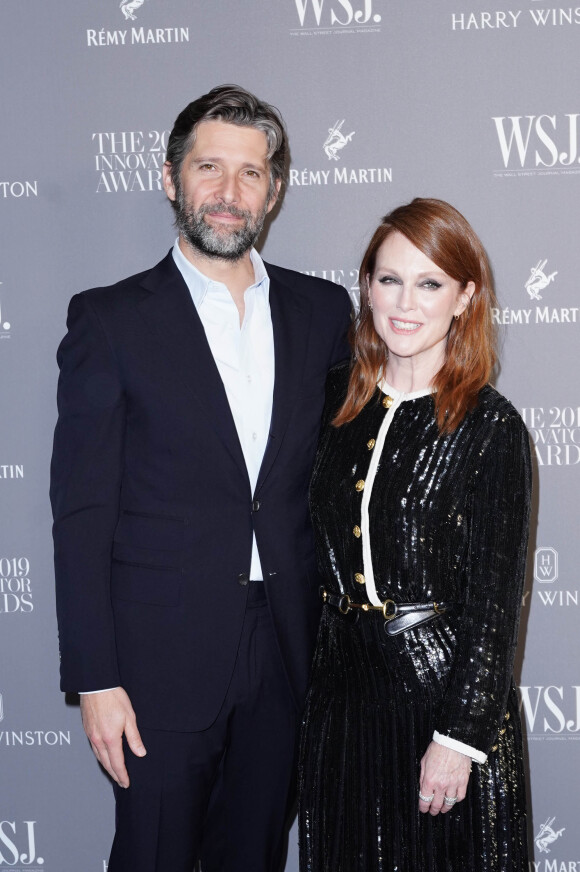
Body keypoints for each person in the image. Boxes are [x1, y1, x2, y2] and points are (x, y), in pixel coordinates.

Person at [50, 84, 351, 872]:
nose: (228, 192)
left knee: (253, 856)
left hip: (286, 653)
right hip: (155, 664)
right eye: (209, 167)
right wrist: (95, 679)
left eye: (250, 173)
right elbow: (81, 512)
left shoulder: (323, 315)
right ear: (169, 178)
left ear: (275, 191)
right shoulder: (110, 321)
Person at [299, 198, 531, 871]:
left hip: (438, 689)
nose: (405, 302)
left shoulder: (490, 428)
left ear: (465, 297)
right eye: (388, 279)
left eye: (429, 283)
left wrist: (458, 739)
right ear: (366, 286)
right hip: (343, 694)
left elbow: (494, 606)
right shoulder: (331, 402)